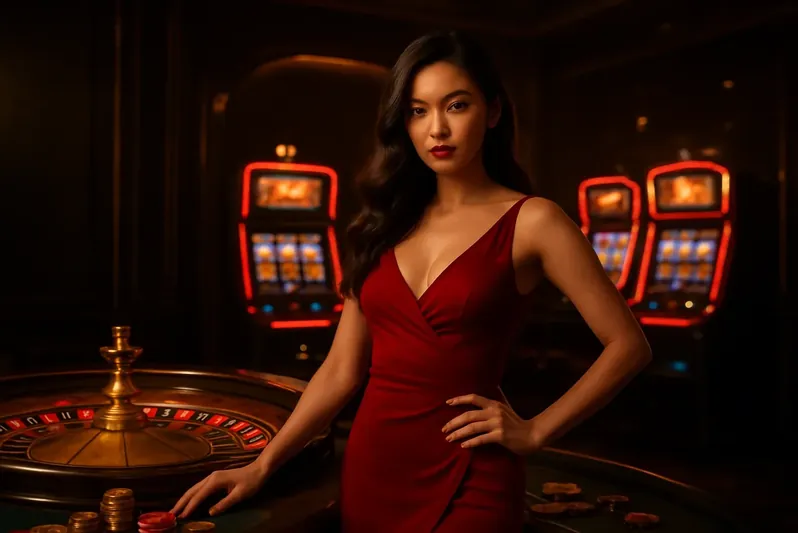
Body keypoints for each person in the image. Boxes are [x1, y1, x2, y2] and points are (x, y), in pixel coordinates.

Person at [171, 30, 652, 532]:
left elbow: (628, 346)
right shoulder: (382, 224)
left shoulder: (534, 221)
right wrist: (261, 465)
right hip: (374, 466)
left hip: (472, 472)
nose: (436, 129)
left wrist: (536, 431)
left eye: (456, 105)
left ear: (492, 112)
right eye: (418, 111)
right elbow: (340, 371)